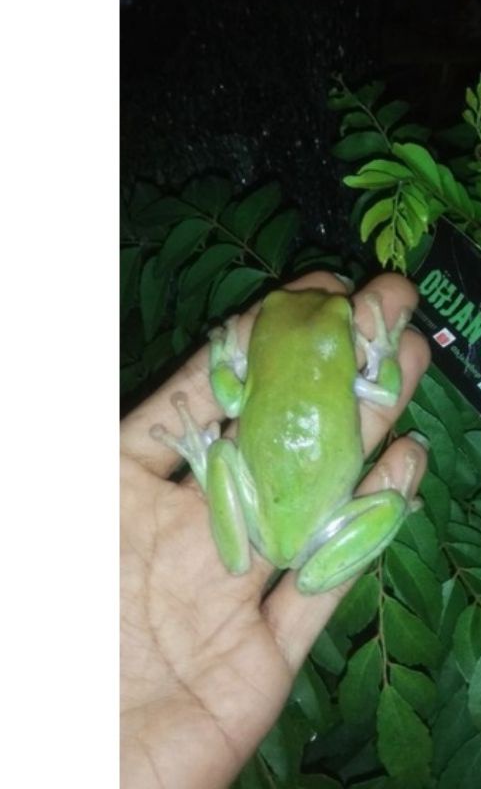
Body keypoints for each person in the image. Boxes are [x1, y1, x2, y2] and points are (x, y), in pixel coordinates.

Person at [120, 271, 430, 788]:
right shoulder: (353, 379)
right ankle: (389, 512)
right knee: (390, 503)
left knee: (221, 451)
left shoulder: (252, 378)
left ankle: (206, 464)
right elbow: (388, 389)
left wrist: (225, 357)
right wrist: (382, 351)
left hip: (256, 523)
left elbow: (229, 398)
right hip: (326, 529)